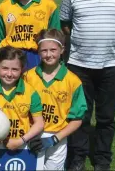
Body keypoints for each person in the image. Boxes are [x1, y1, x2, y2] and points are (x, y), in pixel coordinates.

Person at [60, 0, 115, 171]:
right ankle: (77, 159)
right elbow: (66, 23)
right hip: (79, 64)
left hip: (113, 65)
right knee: (80, 118)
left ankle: (102, 160)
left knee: (106, 119)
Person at [24, 29, 87, 170]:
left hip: (57, 138)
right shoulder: (28, 77)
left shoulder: (73, 81)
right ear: (38, 51)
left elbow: (77, 119)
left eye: (53, 50)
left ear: (62, 50)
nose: (48, 54)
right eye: (44, 50)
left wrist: (55, 139)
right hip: (31, 134)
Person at [0, 0, 61, 71]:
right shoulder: (3, 7)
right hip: (11, 58)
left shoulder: (49, 5)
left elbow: (55, 39)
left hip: (38, 57)